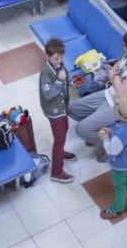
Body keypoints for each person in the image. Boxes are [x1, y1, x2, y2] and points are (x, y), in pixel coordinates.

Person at [68, 29, 127, 149]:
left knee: (81, 129)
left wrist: (115, 76)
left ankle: (113, 145)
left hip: (123, 107)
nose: (122, 47)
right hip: (109, 93)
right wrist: (116, 77)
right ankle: (96, 131)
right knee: (72, 109)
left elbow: (121, 91)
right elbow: (113, 69)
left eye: (124, 45)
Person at [38, 38, 77, 184]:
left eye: (61, 58)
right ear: (47, 56)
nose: (59, 61)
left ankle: (60, 153)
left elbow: (63, 79)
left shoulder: (59, 65)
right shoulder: (45, 73)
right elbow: (47, 95)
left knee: (65, 128)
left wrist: (68, 82)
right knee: (59, 139)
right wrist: (60, 81)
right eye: (55, 59)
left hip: (62, 106)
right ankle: (57, 172)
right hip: (54, 110)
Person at [99, 91, 127, 220]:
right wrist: (112, 132)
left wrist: (105, 138)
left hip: (120, 164)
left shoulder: (120, 134)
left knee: (120, 186)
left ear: (118, 112)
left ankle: (116, 210)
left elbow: (112, 150)